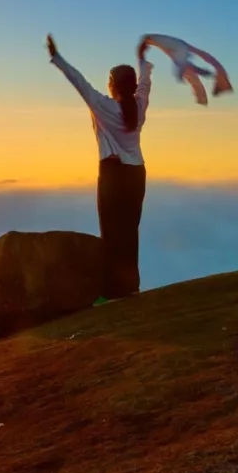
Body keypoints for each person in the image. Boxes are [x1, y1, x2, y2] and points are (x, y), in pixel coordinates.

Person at [45, 34, 153, 305]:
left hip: (113, 175)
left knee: (111, 232)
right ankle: (131, 287)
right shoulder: (138, 106)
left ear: (113, 85)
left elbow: (79, 81)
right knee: (130, 231)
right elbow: (145, 84)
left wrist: (57, 58)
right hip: (137, 174)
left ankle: (110, 291)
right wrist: (142, 60)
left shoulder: (105, 106)